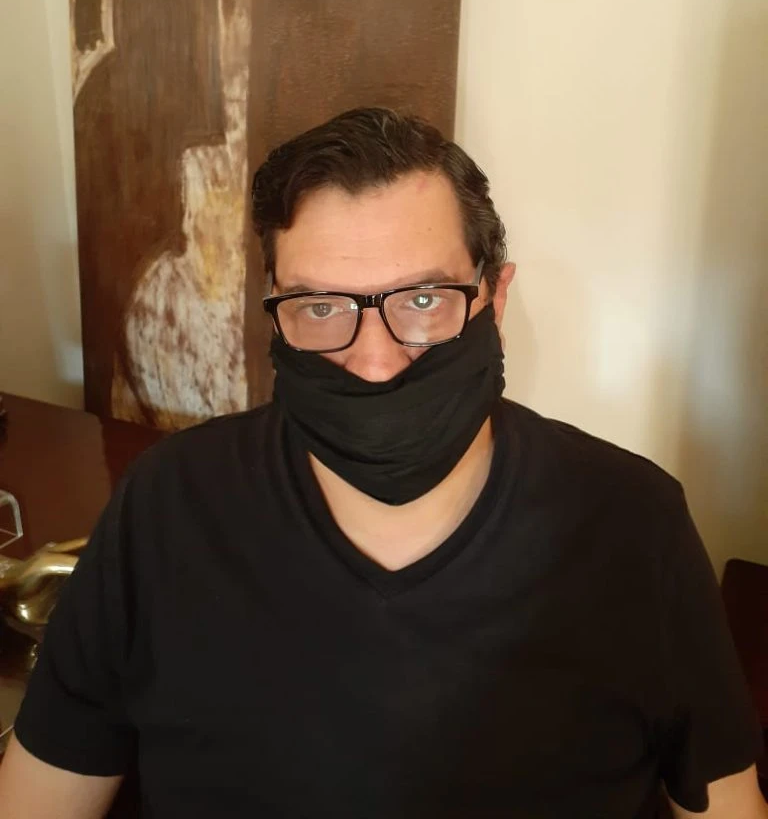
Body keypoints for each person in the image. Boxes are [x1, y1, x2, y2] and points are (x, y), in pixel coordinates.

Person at [0, 108, 763, 819]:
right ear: (275, 311)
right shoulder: (166, 503)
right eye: (321, 307)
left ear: (494, 299)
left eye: (423, 300)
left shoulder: (632, 523)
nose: (375, 361)